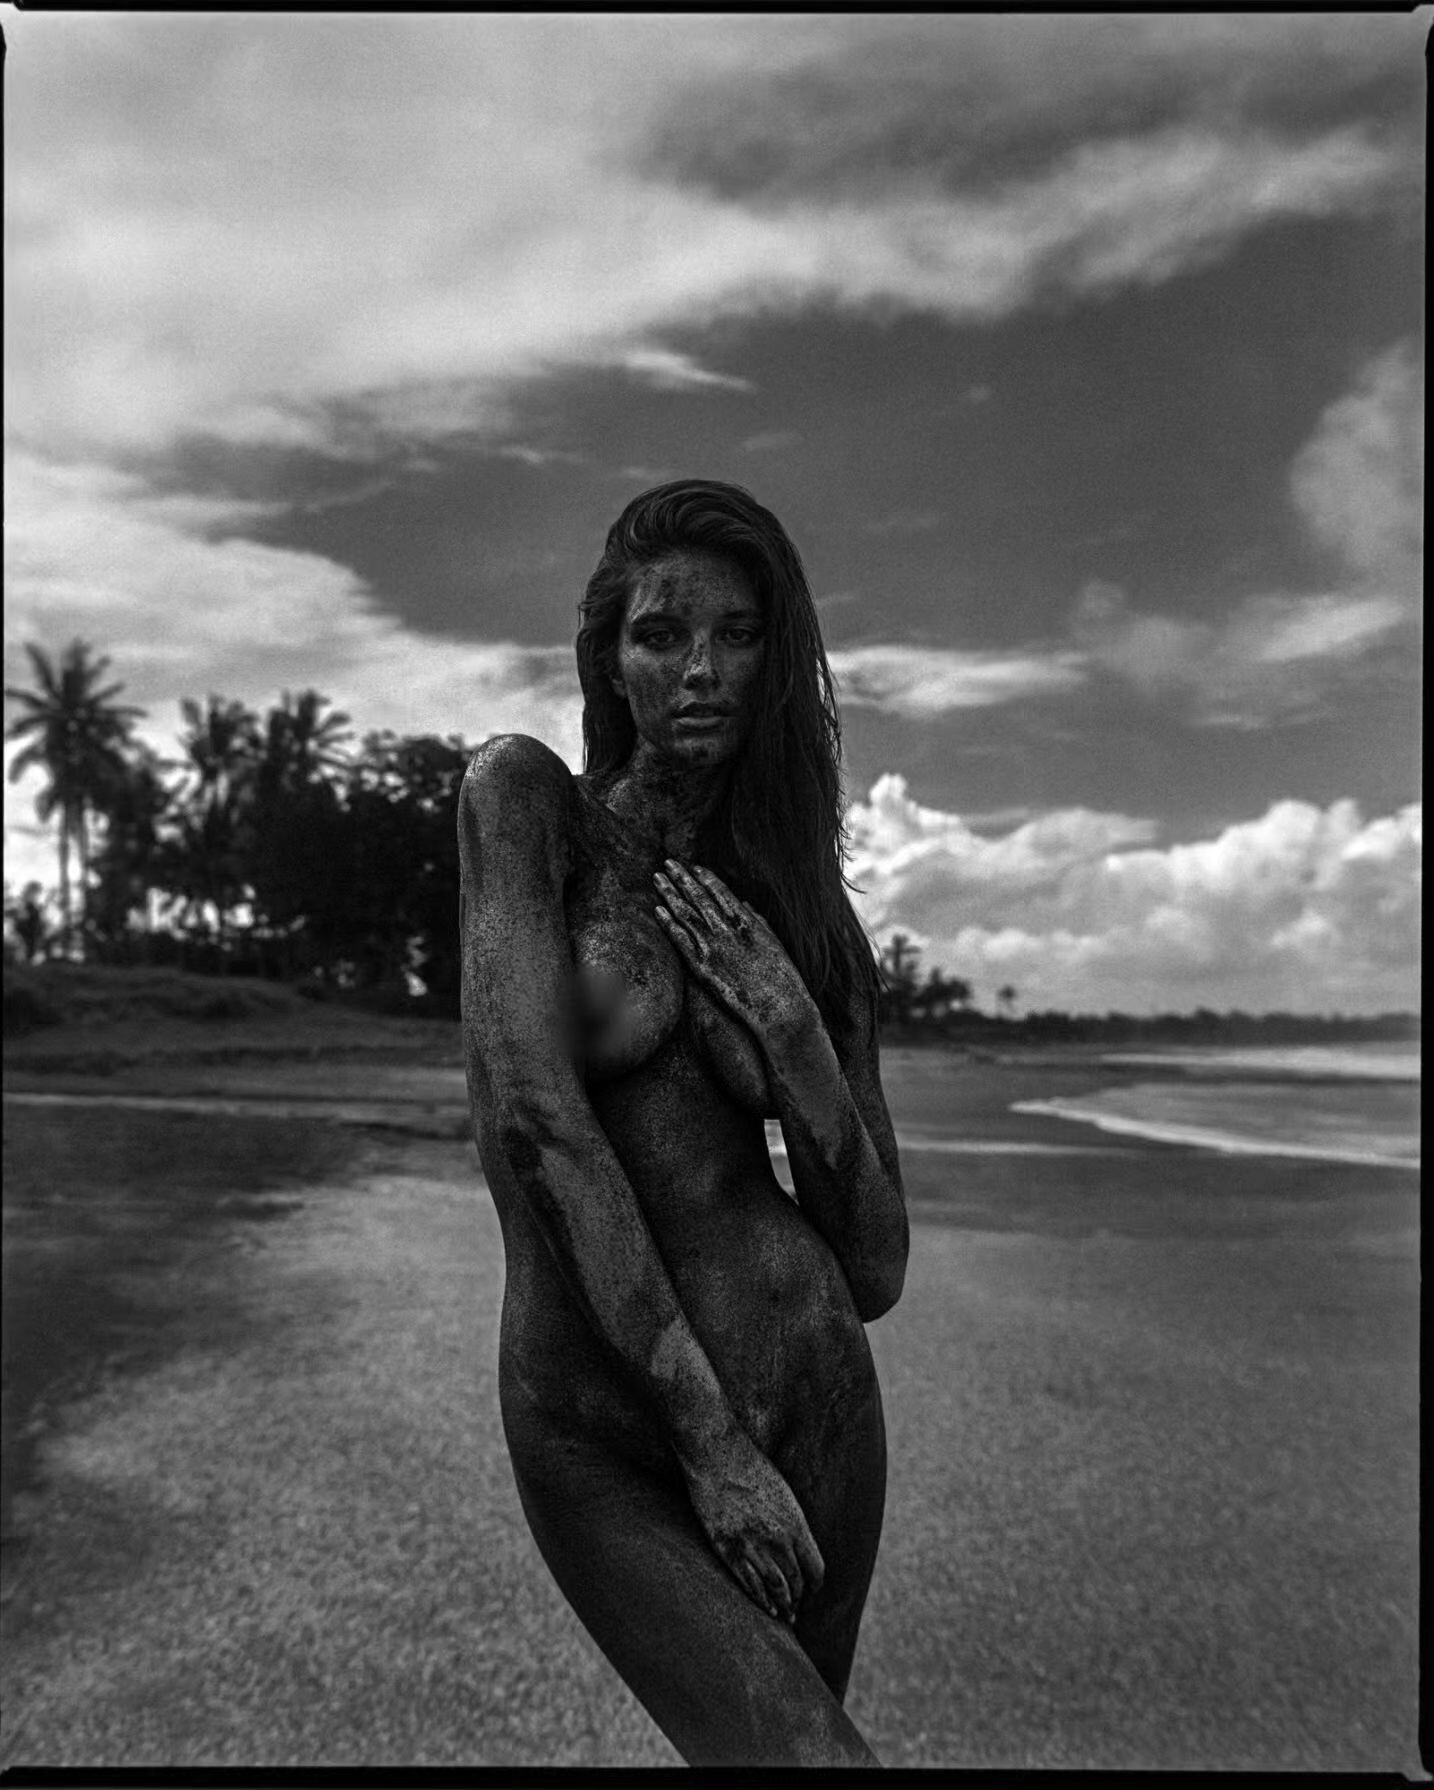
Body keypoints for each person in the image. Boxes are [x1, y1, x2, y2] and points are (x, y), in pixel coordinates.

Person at [458, 479, 908, 1767]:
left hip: (819, 1395)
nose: (700, 669)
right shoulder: (531, 810)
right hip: (606, 1423)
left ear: (777, 662)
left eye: (738, 635)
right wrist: (710, 1445)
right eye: (661, 635)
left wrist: (796, 1039)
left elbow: (876, 1267)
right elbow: (538, 1129)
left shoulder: (808, 922)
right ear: (609, 658)